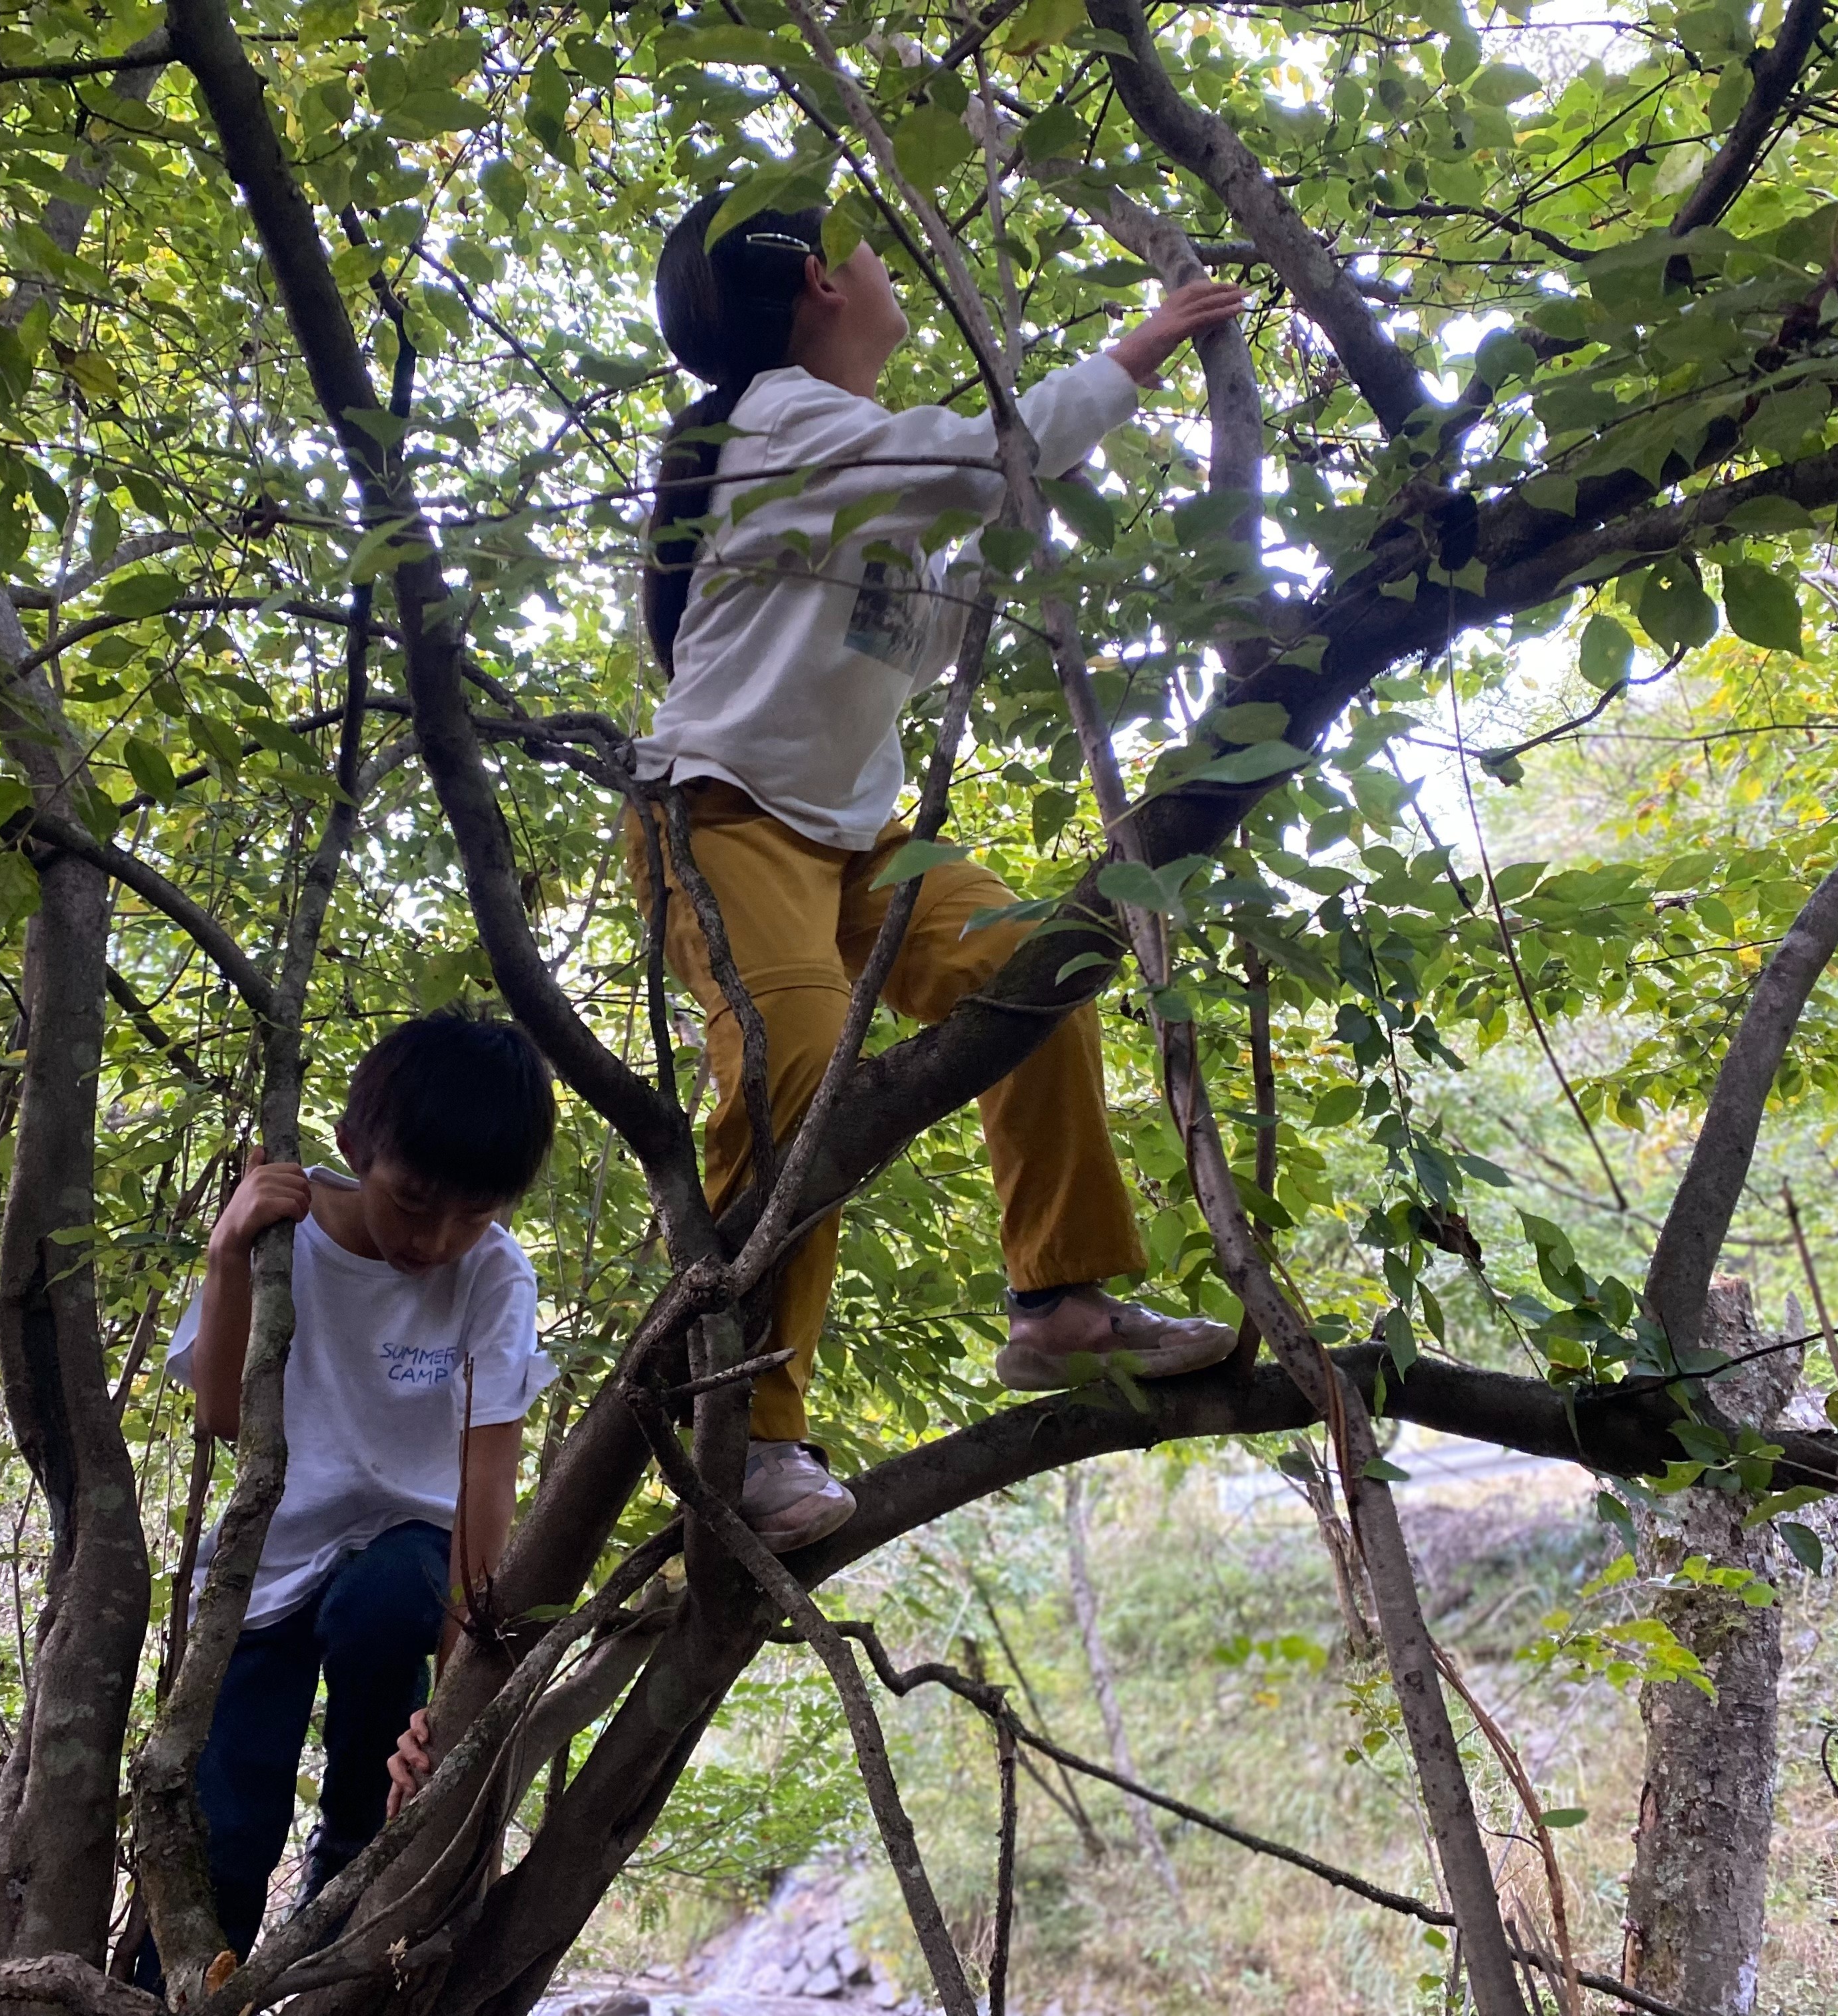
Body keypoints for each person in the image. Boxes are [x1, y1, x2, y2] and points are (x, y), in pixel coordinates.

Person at [627, 191, 1255, 1553]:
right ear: (815, 283)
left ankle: (1064, 1302)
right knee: (797, 1063)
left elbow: (962, 520)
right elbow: (988, 467)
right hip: (725, 818)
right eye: (863, 249)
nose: (883, 265)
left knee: (1043, 954)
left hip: (858, 839)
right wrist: (1143, 345)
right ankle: (753, 1426)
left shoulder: (852, 453)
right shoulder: (784, 418)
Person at [135, 1005, 556, 1989]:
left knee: (386, 1620)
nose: (438, 1239)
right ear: (355, 1148)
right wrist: (228, 1253)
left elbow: (486, 1481)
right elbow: (223, 1418)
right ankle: (170, 1993)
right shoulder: (288, 1238)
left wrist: (455, 1703)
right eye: (414, 1201)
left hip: (404, 1571)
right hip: (266, 1574)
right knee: (228, 1827)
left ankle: (339, 1965)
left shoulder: (494, 1277)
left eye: (474, 1214)